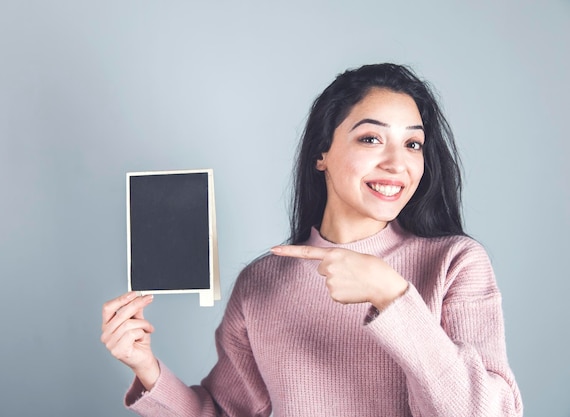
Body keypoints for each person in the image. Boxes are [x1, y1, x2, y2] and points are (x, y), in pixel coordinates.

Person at [101, 63, 523, 416]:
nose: (398, 163)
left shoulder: (456, 263)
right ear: (322, 153)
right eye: (371, 138)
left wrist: (392, 295)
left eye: (413, 143)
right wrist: (146, 368)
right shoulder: (261, 283)